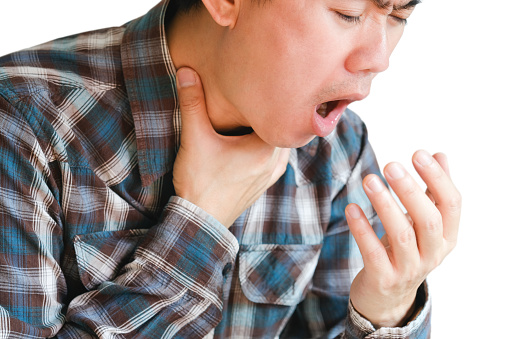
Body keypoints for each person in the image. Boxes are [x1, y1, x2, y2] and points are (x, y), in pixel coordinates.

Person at [0, 0, 461, 337]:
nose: (380, 59)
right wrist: (199, 225)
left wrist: (387, 311)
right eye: (348, 12)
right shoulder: (23, 121)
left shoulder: (337, 151)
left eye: (399, 15)